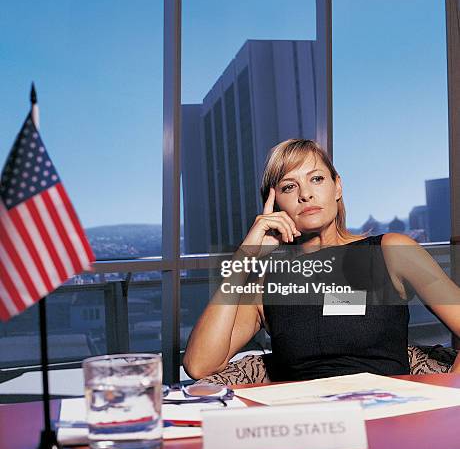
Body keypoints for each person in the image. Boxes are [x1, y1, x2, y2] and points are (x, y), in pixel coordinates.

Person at [183, 138, 460, 380]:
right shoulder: (266, 282)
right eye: (289, 187)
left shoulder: (392, 251)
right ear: (275, 204)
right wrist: (246, 255)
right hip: (306, 428)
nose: (306, 194)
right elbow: (198, 365)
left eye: (316, 179)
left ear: (337, 187)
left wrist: (449, 398)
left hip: (387, 420)